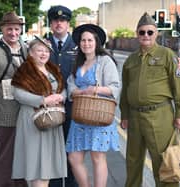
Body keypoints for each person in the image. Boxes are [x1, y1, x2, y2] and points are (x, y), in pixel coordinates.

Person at [119, 12, 180, 187]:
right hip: (134, 117)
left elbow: (177, 86)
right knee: (133, 161)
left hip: (159, 115)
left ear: (156, 34)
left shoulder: (167, 55)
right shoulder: (130, 60)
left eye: (150, 32)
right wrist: (124, 115)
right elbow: (125, 90)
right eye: (142, 32)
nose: (146, 36)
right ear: (137, 34)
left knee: (163, 161)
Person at [66, 24, 121, 187]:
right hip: (79, 117)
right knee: (74, 158)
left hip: (98, 115)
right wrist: (77, 92)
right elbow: (70, 87)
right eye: (83, 40)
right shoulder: (78, 62)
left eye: (90, 40)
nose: (86, 43)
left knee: (98, 157)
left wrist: (94, 89)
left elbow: (114, 87)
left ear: (96, 42)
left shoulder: (105, 61)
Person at [11, 36, 67, 187]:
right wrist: (43, 100)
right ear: (31, 53)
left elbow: (63, 89)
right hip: (32, 119)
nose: (43, 54)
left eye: (46, 51)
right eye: (39, 50)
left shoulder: (52, 69)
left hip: (53, 119)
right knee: (35, 164)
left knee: (47, 166)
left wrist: (60, 97)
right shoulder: (25, 70)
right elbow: (17, 93)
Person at [0, 11, 28, 187]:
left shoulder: (24, 48)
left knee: (22, 152)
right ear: (2, 29)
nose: (13, 33)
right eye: (9, 29)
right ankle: (2, 184)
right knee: (6, 153)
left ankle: (20, 184)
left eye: (17, 29)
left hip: (24, 110)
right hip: (5, 111)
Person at [46, 5, 78, 187]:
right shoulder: (41, 45)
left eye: (63, 20)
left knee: (72, 149)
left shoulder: (78, 45)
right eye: (56, 21)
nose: (59, 23)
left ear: (68, 23)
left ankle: (72, 183)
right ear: (50, 24)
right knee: (50, 149)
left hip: (72, 106)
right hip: (48, 106)